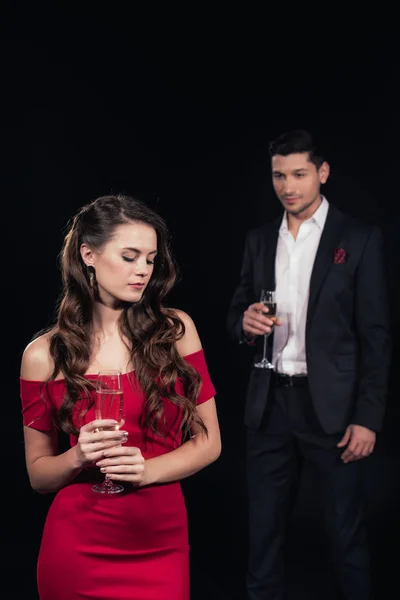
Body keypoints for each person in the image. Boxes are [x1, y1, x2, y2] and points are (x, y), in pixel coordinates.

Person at [20, 194, 221, 600]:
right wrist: (78, 456)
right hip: (77, 547)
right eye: (130, 256)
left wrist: (146, 471)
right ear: (88, 254)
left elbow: (209, 443)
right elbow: (39, 475)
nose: (143, 270)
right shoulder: (43, 354)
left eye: (149, 259)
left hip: (160, 544)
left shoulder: (175, 331)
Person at [227, 129, 391, 600]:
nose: (287, 186)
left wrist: (367, 417)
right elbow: (236, 309)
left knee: (345, 533)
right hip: (270, 404)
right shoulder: (259, 240)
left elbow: (376, 337)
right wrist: (243, 320)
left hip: (335, 413)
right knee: (263, 535)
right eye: (279, 175)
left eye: (298, 173)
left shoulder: (359, 239)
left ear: (322, 173)